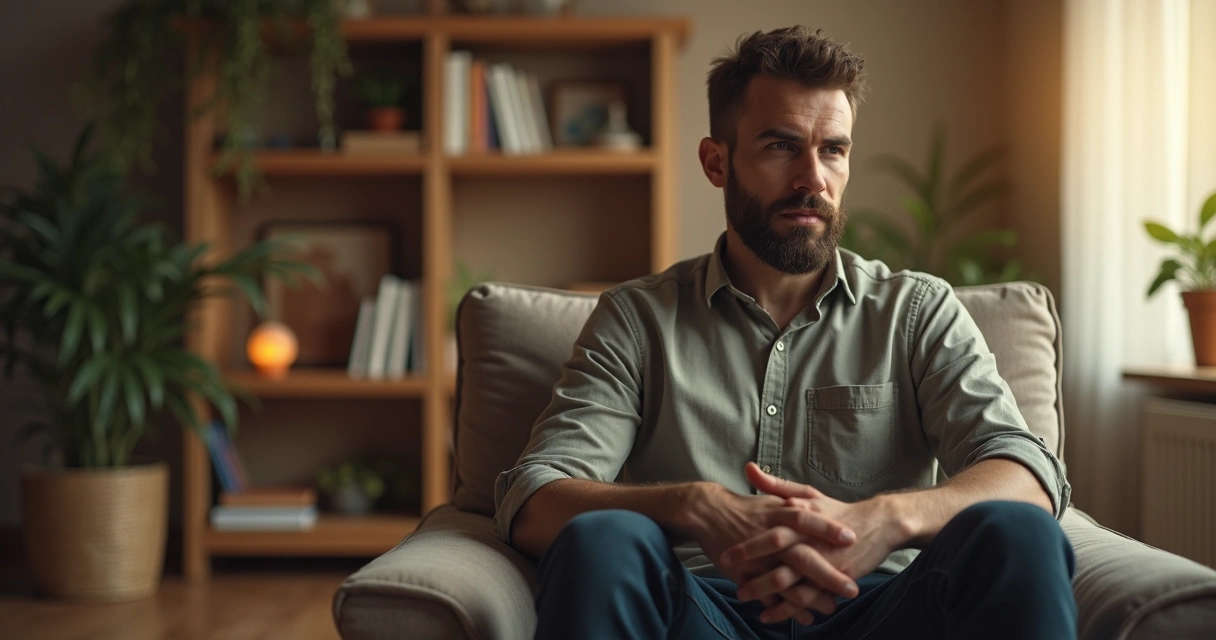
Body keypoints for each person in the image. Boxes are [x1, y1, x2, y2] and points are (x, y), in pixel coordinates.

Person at [493, 25, 1076, 640]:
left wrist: (887, 519)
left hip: (884, 611)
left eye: (833, 149)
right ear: (717, 162)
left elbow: (1027, 475)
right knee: (603, 539)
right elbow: (535, 497)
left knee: (1018, 531)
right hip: (699, 614)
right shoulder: (637, 321)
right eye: (780, 147)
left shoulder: (918, 311)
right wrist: (690, 506)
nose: (812, 179)